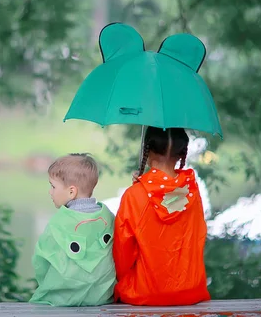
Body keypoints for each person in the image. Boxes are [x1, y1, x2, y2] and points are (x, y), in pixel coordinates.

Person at [112, 126, 211, 306]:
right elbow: (196, 235)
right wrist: (146, 186)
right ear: (182, 154)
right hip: (190, 291)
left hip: (144, 292)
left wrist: (142, 188)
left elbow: (122, 254)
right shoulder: (191, 192)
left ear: (147, 151)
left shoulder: (134, 195)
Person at [29, 153, 116, 306]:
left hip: (63, 298)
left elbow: (41, 261)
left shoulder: (59, 223)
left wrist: (47, 284)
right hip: (102, 297)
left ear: (71, 192)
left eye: (53, 186)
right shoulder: (108, 218)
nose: (50, 192)